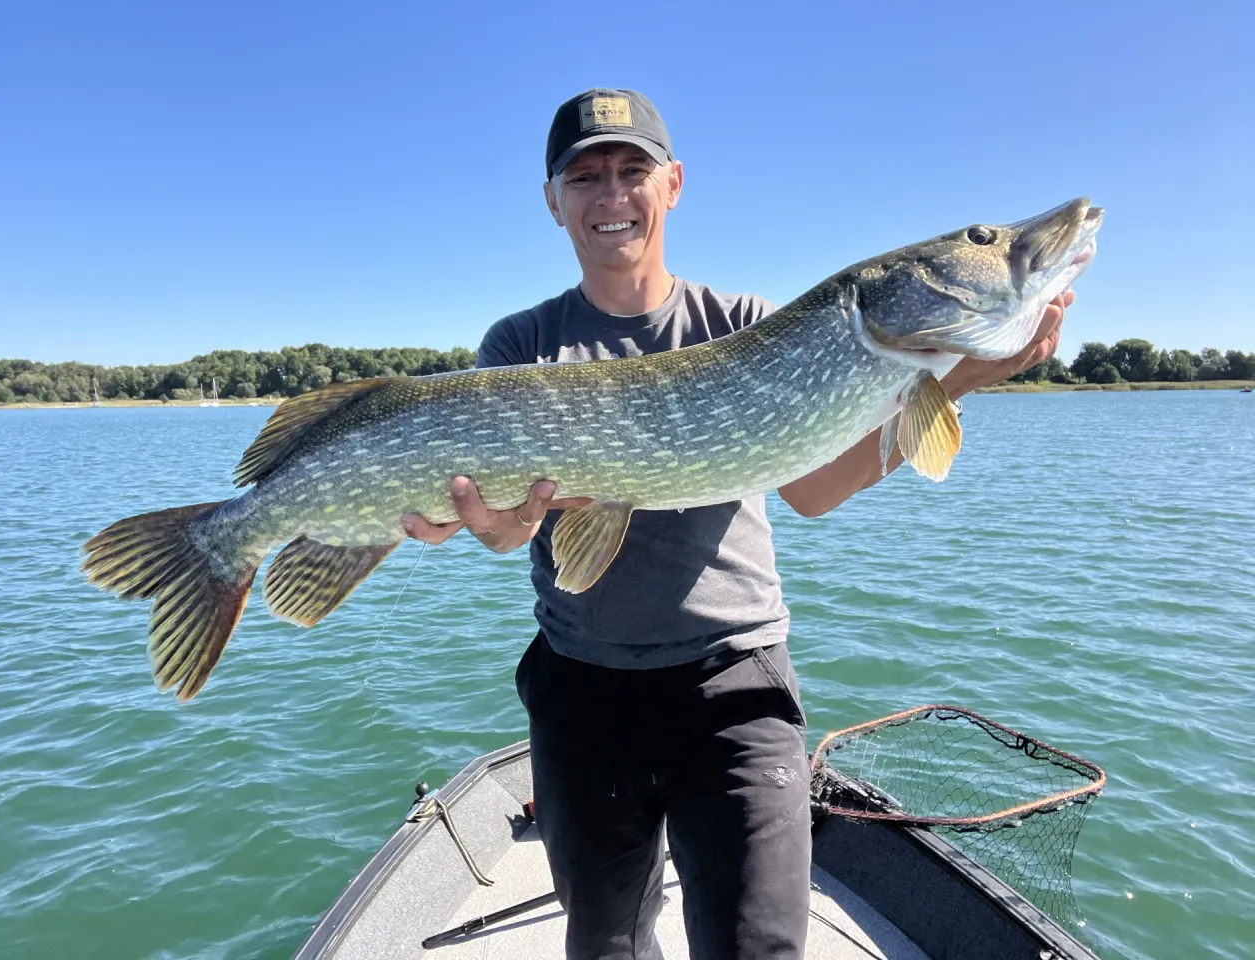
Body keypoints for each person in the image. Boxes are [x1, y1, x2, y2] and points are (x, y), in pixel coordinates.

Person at [402, 89, 1073, 960]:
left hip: (736, 686)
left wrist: (965, 378)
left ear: (672, 184)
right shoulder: (522, 342)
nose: (612, 195)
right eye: (587, 176)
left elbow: (814, 491)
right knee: (605, 945)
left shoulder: (747, 325)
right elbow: (502, 530)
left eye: (633, 171)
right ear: (554, 200)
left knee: (760, 948)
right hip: (584, 690)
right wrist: (489, 529)